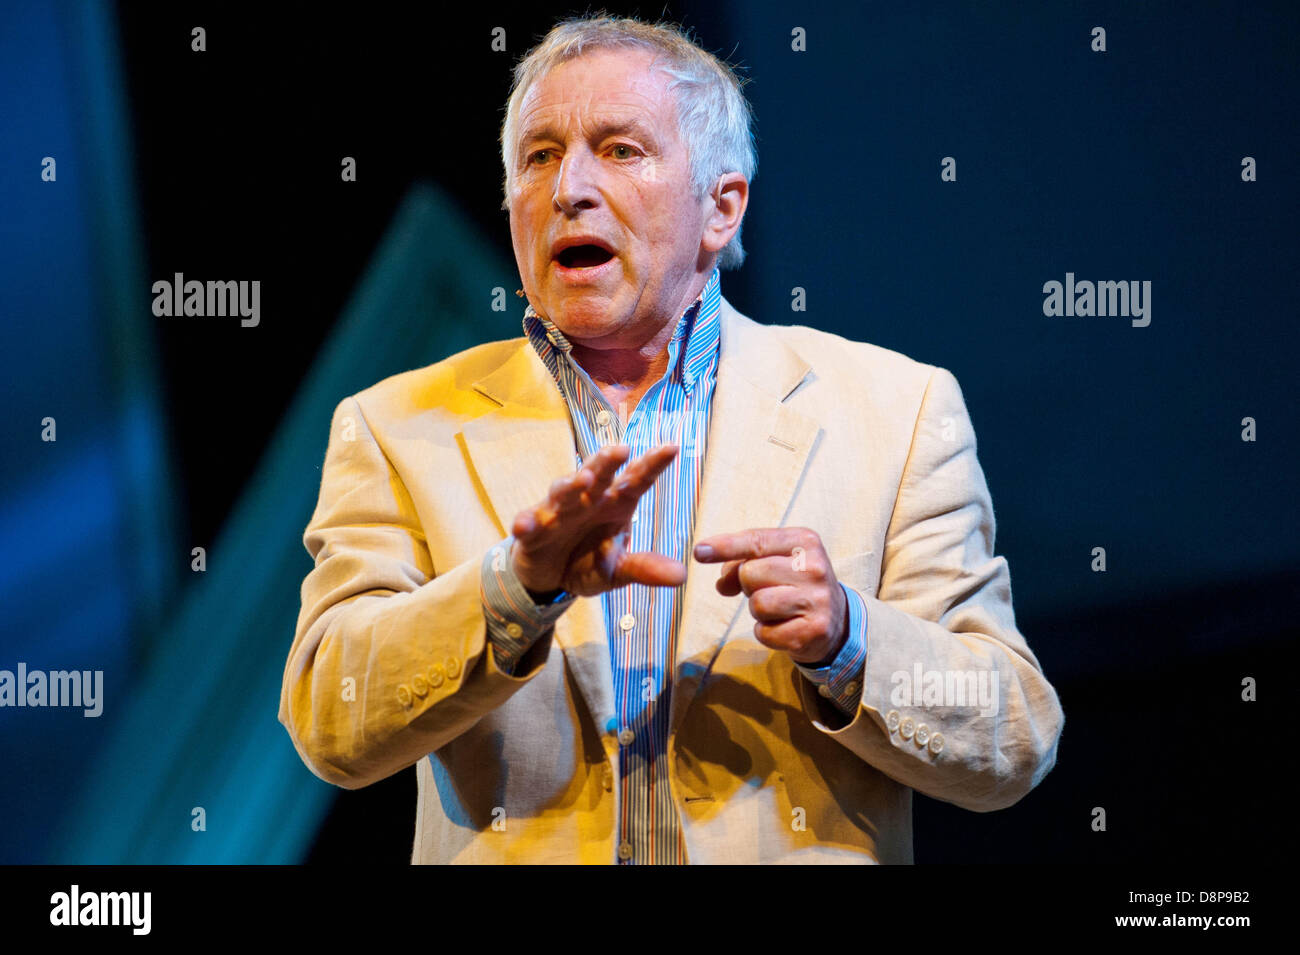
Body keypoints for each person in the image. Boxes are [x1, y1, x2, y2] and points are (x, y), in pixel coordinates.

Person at [278, 15, 1064, 864]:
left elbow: (1011, 736)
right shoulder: (397, 424)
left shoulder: (897, 410)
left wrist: (849, 639)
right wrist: (514, 589)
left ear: (721, 207)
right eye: (539, 156)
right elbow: (330, 719)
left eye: (620, 150)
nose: (568, 187)